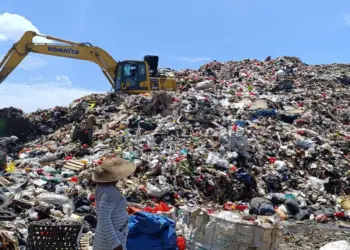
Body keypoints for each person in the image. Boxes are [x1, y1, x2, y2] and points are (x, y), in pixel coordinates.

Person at [92, 157, 136, 250]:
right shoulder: (110, 193)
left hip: (107, 236)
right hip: (109, 241)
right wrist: (115, 244)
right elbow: (104, 219)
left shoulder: (101, 187)